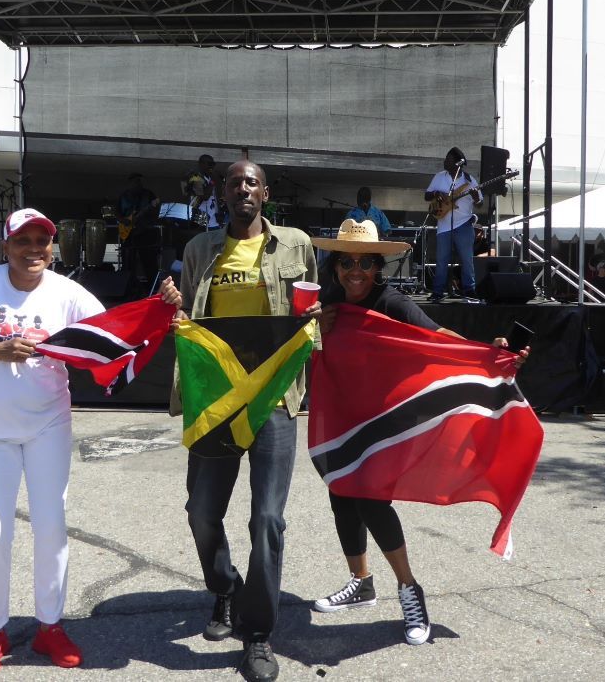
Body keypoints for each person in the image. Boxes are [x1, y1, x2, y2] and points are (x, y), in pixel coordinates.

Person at [0, 206, 180, 679]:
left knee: (50, 527)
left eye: (42, 241)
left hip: (47, 426)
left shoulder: (67, 292)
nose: (33, 250)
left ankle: (50, 627)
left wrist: (161, 308)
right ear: (6, 245)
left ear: (52, 248)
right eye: (23, 241)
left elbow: (114, 334)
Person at [310, 218, 529, 646]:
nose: (357, 271)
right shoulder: (327, 300)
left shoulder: (391, 303)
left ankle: (410, 590)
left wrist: (488, 353)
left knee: (371, 502)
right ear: (335, 265)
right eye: (348, 262)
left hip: (384, 420)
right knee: (341, 496)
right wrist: (315, 323)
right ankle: (362, 583)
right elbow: (302, 343)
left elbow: (438, 335)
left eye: (366, 263)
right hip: (341, 414)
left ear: (378, 268)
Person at [170, 159, 320, 682]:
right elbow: (187, 315)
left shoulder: (297, 245)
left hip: (274, 399)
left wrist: (313, 324)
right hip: (217, 399)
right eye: (234, 183)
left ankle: (257, 635)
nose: (242, 190)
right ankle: (225, 590)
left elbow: (312, 320)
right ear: (223, 194)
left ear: (265, 193)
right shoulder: (199, 249)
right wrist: (176, 314)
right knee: (202, 512)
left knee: (267, 520)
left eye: (251, 182)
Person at [424, 146, 483, 302]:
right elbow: (426, 195)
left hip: (464, 224)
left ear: (457, 164)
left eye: (448, 160)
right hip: (443, 224)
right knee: (441, 260)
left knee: (466, 259)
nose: (445, 161)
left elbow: (479, 204)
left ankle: (469, 290)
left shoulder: (469, 181)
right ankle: (438, 292)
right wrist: (437, 193)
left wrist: (476, 196)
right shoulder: (439, 177)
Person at [116, 173, 161, 292]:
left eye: (139, 181)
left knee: (149, 262)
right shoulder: (123, 196)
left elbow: (155, 211)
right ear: (130, 183)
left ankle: (153, 289)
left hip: (145, 232)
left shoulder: (148, 194)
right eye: (135, 181)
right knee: (128, 263)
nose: (138, 183)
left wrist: (150, 209)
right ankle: (127, 289)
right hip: (129, 234)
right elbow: (118, 213)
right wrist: (124, 220)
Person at [184, 153, 225, 228]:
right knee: (203, 236)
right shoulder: (195, 178)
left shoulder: (210, 179)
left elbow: (214, 198)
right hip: (200, 217)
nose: (211, 166)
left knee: (215, 237)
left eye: (213, 164)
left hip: (214, 219)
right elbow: (204, 196)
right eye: (209, 164)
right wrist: (213, 180)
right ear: (201, 164)